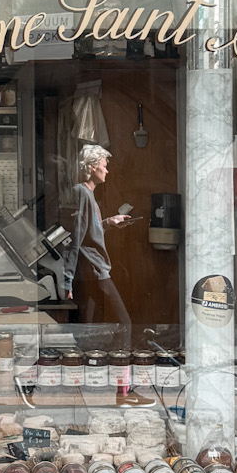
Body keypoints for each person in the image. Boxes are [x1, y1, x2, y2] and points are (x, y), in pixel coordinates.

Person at [67, 142, 133, 333]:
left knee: (88, 325)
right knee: (125, 323)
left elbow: (89, 232)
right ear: (92, 167)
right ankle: (122, 361)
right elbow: (76, 239)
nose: (107, 171)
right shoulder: (83, 194)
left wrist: (109, 223)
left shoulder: (88, 195)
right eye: (104, 166)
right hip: (95, 269)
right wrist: (67, 281)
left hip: (93, 268)